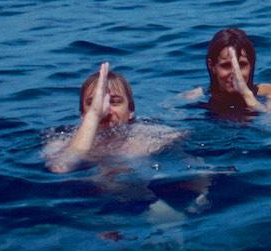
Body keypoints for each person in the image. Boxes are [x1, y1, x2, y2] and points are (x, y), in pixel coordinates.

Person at [45, 62, 184, 173]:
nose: (105, 110)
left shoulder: (153, 137)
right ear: (83, 114)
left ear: (131, 111)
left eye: (115, 102)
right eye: (95, 104)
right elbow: (60, 167)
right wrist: (94, 114)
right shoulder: (61, 143)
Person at [185, 27, 271, 115]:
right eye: (226, 65)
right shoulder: (196, 96)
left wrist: (246, 94)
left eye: (242, 65)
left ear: (251, 65)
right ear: (212, 66)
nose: (236, 74)